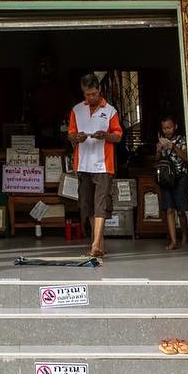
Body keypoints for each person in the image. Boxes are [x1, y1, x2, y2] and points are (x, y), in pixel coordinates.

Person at [67, 73, 123, 259]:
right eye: (87, 94)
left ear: (99, 90)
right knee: (87, 205)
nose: (90, 98)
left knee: (101, 204)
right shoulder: (76, 110)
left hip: (103, 165)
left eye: (93, 93)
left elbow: (118, 136)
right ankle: (98, 242)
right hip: (83, 164)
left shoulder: (111, 111)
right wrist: (77, 138)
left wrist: (105, 135)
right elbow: (71, 135)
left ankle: (95, 245)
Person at [155, 114, 188, 251]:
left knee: (181, 210)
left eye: (169, 127)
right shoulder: (161, 141)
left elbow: (187, 158)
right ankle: (174, 241)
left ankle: (185, 236)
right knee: (169, 209)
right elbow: (157, 160)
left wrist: (172, 147)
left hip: (180, 176)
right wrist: (158, 150)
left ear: (175, 126)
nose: (167, 130)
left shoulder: (182, 140)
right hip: (166, 178)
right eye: (164, 128)